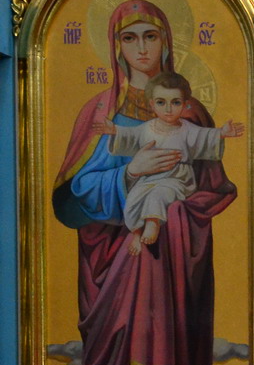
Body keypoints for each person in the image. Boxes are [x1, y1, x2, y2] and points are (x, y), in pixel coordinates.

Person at [54, 0, 239, 365]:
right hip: (111, 264)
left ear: (167, 41)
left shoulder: (191, 114)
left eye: (150, 36)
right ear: (114, 46)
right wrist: (130, 173)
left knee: (170, 352)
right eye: (129, 38)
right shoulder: (99, 115)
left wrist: (175, 213)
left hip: (172, 262)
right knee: (117, 356)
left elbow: (213, 189)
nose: (141, 48)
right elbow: (71, 198)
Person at [95, 71, 244, 255]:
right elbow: (131, 136)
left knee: (158, 195)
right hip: (149, 179)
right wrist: (115, 130)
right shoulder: (147, 128)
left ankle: (153, 223)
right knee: (132, 200)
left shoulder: (188, 130)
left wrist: (222, 133)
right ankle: (136, 234)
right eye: (161, 102)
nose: (168, 109)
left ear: (185, 104)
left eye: (175, 102)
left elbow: (205, 137)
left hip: (177, 180)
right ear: (151, 104)